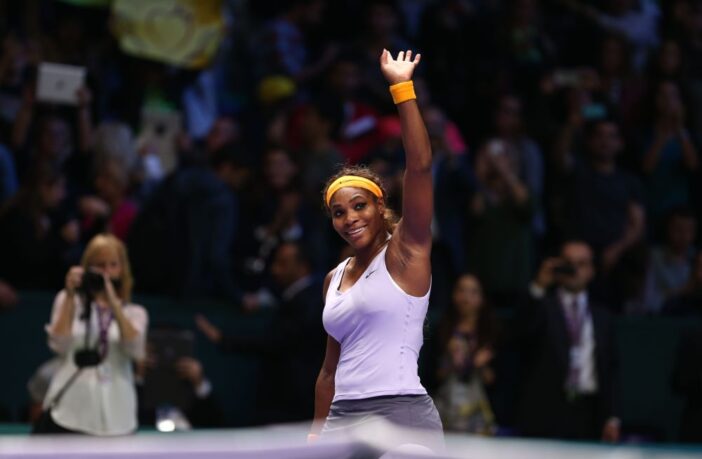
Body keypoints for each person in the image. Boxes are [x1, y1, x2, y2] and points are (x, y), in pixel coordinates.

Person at [309, 50, 444, 452]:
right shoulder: (333, 279)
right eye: (338, 212)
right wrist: (316, 434)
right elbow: (329, 372)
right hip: (342, 421)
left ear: (380, 206)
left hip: (403, 415)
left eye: (359, 206)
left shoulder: (406, 251)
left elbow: (419, 166)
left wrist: (401, 88)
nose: (349, 218)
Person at [196, 241, 325, 424]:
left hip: (293, 402)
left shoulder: (310, 301)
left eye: (283, 263)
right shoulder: (297, 297)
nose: (274, 270)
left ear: (303, 267)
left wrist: (224, 339)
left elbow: (276, 340)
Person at [38, 234, 148, 435]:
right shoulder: (68, 301)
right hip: (72, 411)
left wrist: (114, 302)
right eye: (99, 265)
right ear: (87, 268)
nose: (106, 272)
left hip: (118, 414)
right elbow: (58, 346)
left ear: (122, 269)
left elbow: (136, 351)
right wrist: (71, 296)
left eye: (112, 265)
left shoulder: (134, 313)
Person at [516, 240, 619, 442]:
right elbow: (519, 334)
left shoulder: (602, 316)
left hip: (589, 412)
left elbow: (612, 368)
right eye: (568, 263)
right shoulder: (542, 306)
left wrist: (613, 417)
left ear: (591, 271)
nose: (574, 270)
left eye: (581, 264)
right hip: (546, 410)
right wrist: (539, 285)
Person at [434, 274, 497, 434]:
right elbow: (432, 377)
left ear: (482, 297)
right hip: (447, 410)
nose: (466, 297)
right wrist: (450, 358)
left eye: (473, 292)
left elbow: (496, 383)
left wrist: (480, 365)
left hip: (479, 412)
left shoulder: (492, 333)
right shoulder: (442, 329)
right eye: (461, 290)